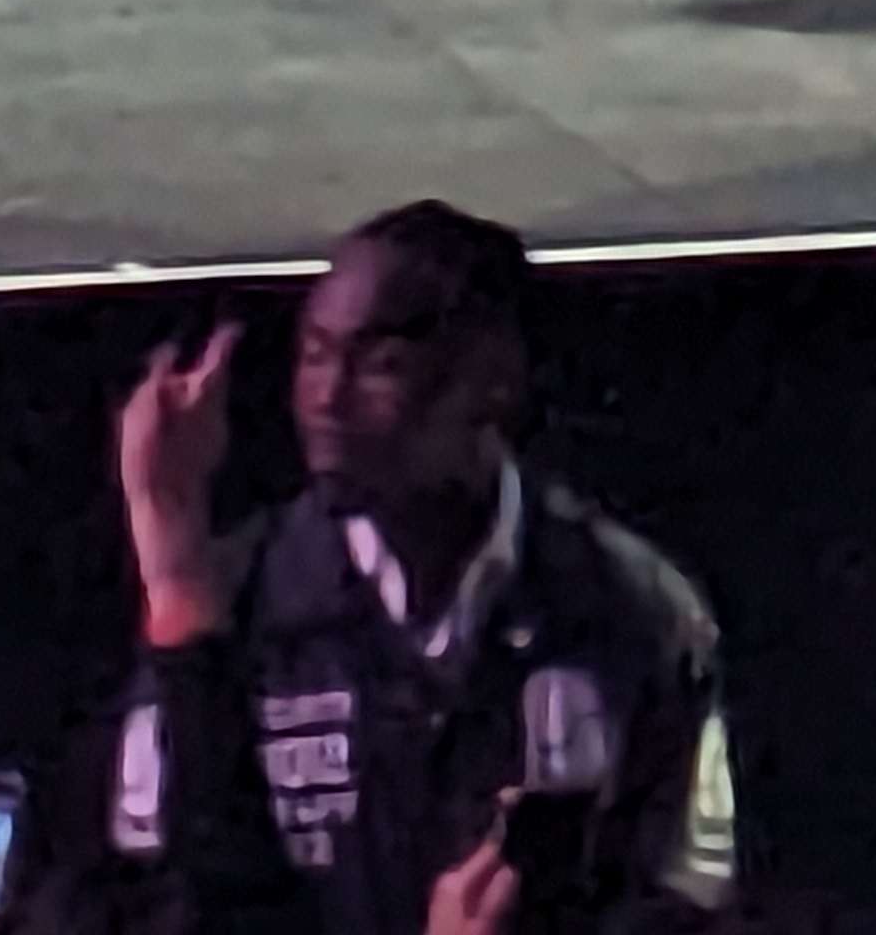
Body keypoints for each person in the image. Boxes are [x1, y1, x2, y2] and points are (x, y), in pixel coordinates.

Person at [113, 203, 738, 935]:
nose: (327, 398)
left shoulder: (627, 607)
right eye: (314, 355)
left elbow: (680, 903)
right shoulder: (227, 603)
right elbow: (169, 901)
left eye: (382, 366)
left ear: (494, 383)